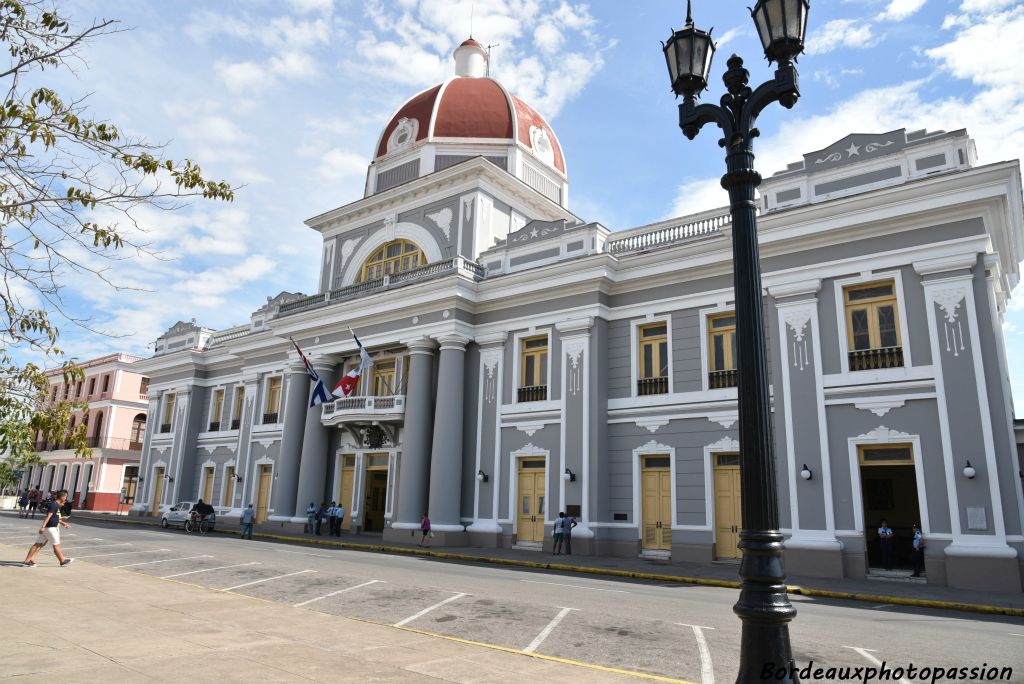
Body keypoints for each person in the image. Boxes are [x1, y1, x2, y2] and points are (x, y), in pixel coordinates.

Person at [23, 489, 73, 567]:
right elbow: (48, 516)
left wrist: (63, 523)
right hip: (51, 529)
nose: (66, 499)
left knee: (37, 544)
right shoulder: (54, 505)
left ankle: (27, 560)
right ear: (62, 497)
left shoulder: (56, 505)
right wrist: (42, 527)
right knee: (56, 545)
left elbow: (55, 518)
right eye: (65, 497)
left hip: (48, 528)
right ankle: (62, 560)